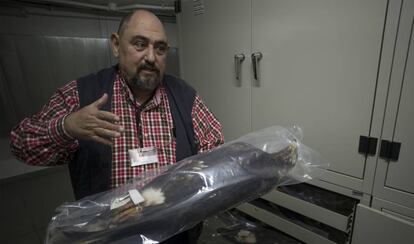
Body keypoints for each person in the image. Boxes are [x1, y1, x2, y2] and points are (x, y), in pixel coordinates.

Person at [10, 9, 224, 243]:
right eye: (140, 44)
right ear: (115, 45)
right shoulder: (81, 95)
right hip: (110, 235)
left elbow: (214, 147)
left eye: (160, 48)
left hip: (176, 232)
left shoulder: (185, 96)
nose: (151, 57)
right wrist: (66, 128)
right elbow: (21, 143)